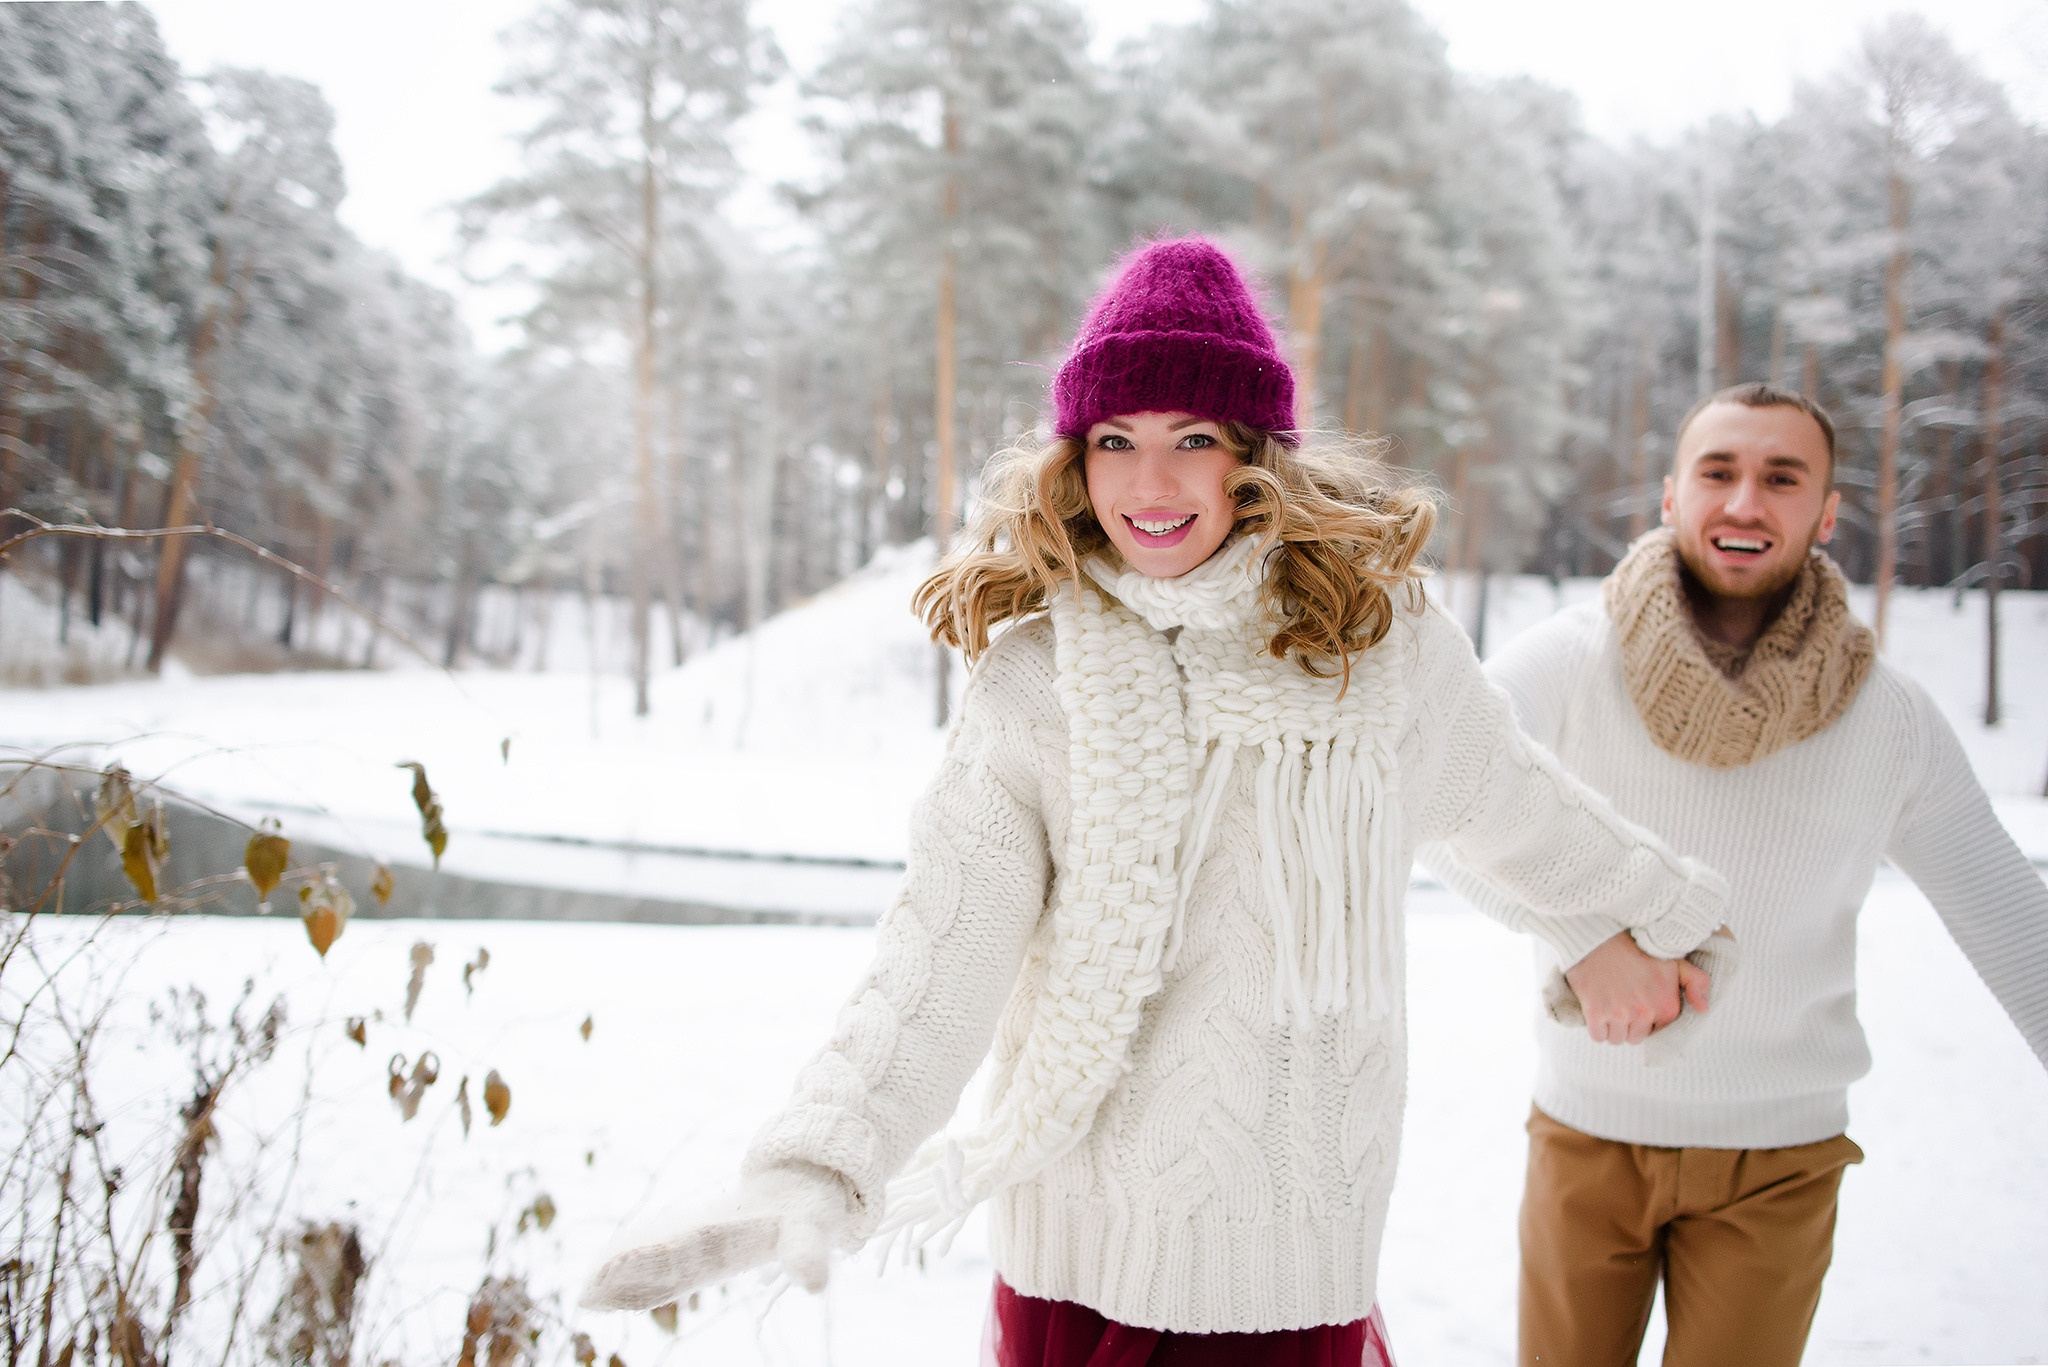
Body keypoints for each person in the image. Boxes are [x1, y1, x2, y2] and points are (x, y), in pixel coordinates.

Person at [578, 238, 1731, 1362]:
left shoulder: (1375, 650)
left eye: (1193, 438)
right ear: (1073, 462)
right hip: (1076, 1253)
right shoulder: (1035, 681)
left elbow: (1515, 811)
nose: (1151, 482)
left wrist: (1657, 917)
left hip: (1290, 1254)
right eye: (1114, 440)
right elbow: (943, 944)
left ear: (1254, 454)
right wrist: (819, 1160)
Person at [1429, 382, 2048, 1367]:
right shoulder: (1567, 663)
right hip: (1587, 1135)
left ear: (1827, 512)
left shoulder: (1890, 719)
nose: (1745, 502)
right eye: (1717, 472)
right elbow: (1429, 796)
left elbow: (2014, 920)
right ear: (1671, 495)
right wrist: (1584, 938)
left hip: (1780, 1162)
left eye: (1781, 477)